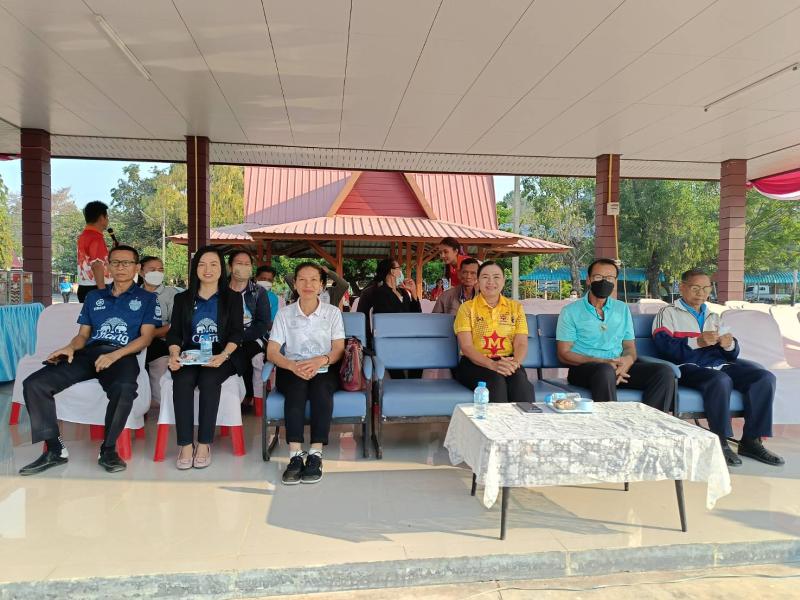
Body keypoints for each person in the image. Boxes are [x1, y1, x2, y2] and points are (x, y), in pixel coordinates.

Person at [19, 245, 159, 475]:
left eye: (126, 263)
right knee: (35, 384)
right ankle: (55, 450)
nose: (121, 267)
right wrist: (69, 347)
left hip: (122, 355)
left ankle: (108, 450)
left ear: (136, 268)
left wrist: (114, 355)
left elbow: (146, 338)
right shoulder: (95, 297)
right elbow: (83, 335)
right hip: (88, 354)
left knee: (124, 388)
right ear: (108, 267)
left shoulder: (148, 299)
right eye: (115, 262)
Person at [652, 268, 784, 467]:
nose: (701, 293)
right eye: (695, 288)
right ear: (682, 287)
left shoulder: (713, 316)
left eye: (706, 288)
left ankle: (752, 441)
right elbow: (664, 348)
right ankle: (720, 442)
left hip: (718, 365)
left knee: (764, 377)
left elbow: (731, 354)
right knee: (721, 380)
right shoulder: (667, 313)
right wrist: (697, 341)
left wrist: (729, 344)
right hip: (686, 367)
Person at [556, 258, 675, 412]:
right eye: (598, 277)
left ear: (615, 281)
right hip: (585, 368)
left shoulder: (622, 309)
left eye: (610, 278)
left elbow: (629, 347)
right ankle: (609, 423)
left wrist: (627, 362)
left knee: (664, 372)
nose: (604, 282)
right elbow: (564, 354)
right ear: (589, 280)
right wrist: (601, 361)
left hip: (618, 367)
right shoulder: (570, 311)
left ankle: (649, 423)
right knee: (605, 371)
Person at [267, 262, 345, 485]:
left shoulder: (332, 313)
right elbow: (272, 352)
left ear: (322, 285)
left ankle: (315, 454)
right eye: (302, 279)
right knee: (296, 388)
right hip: (292, 367)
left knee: (321, 389)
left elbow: (338, 349)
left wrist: (321, 360)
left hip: (324, 367)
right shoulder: (284, 314)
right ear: (295, 284)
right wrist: (293, 366)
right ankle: (295, 455)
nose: (307, 284)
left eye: (313, 280)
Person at [167, 246, 243, 470]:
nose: (207, 269)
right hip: (190, 354)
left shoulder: (232, 298)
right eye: (202, 264)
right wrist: (174, 355)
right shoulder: (182, 298)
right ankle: (185, 444)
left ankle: (204, 443)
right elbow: (174, 333)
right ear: (195, 269)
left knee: (209, 380)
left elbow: (237, 333)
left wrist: (223, 355)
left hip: (221, 354)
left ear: (222, 269)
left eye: (213, 264)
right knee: (182, 380)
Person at [454, 261, 534, 403]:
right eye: (485, 277)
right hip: (474, 363)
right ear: (478, 281)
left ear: (503, 281)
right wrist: (492, 365)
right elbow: (466, 347)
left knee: (521, 384)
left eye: (496, 277)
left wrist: (514, 363)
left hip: (507, 361)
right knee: (496, 382)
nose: (491, 282)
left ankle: (525, 418)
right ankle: (497, 419)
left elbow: (521, 343)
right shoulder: (467, 308)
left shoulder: (515, 308)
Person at [227, 250, 271, 409]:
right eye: (239, 263)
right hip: (226, 337)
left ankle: (250, 398)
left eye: (247, 264)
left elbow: (263, 323)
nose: (243, 267)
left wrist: (240, 338)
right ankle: (234, 399)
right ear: (230, 267)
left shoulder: (259, 292)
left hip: (252, 336)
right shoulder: (220, 290)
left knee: (251, 355)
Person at [372, 258, 422, 379]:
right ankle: (400, 385)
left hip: (408, 337)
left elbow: (416, 315)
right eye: (399, 268)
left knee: (420, 357)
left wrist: (413, 293)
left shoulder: (403, 292)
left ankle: (414, 385)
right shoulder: (380, 293)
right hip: (391, 339)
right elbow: (386, 318)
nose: (401, 271)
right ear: (392, 271)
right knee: (398, 372)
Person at [140, 256, 179, 366]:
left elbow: (175, 324)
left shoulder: (172, 294)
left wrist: (151, 334)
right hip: (133, 341)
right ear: (140, 271)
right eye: (152, 270)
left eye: (160, 270)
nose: (157, 273)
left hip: (161, 342)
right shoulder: (134, 294)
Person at [77, 201, 112, 302]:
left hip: (86, 287)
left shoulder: (84, 235)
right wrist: (102, 292)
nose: (108, 220)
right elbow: (97, 265)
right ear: (101, 218)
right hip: (96, 287)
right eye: (107, 217)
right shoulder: (96, 237)